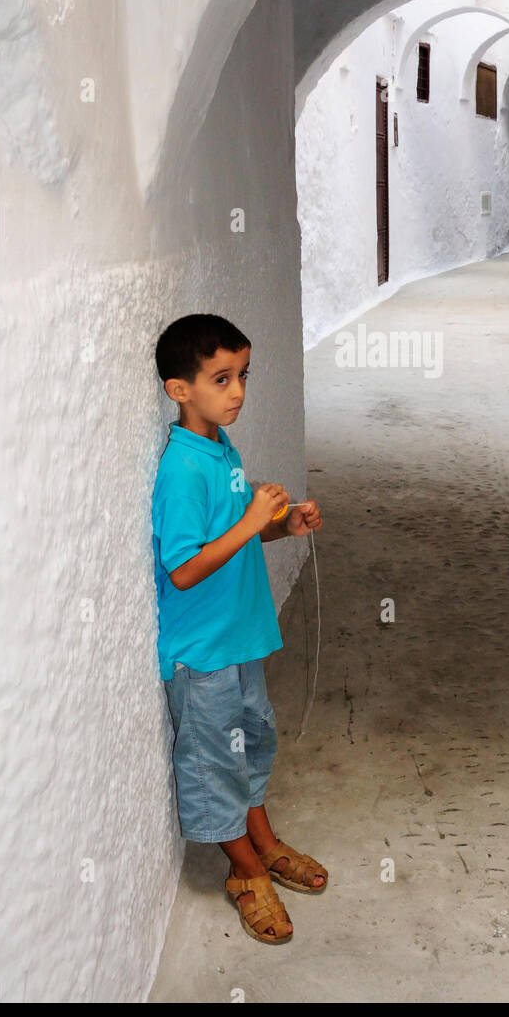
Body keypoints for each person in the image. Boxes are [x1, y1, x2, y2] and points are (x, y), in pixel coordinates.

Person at [151, 313, 326, 943]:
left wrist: (281, 526)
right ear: (180, 389)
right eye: (220, 378)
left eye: (243, 375)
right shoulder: (181, 470)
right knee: (212, 761)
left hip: (241, 637)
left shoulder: (220, 447)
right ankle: (245, 870)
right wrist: (255, 520)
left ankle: (264, 838)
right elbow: (184, 569)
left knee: (253, 741)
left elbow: (238, 531)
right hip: (203, 653)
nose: (238, 392)